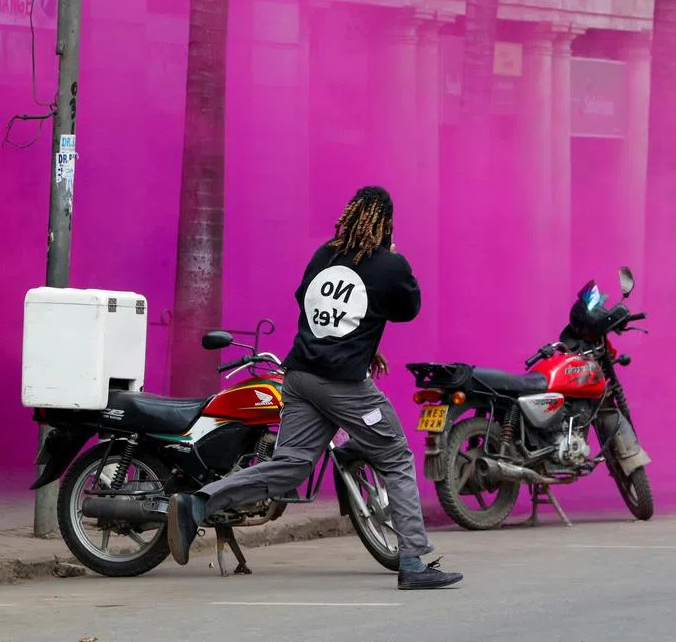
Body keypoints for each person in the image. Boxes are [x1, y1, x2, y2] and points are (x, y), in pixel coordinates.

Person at [167, 186, 462, 590]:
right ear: (386, 223)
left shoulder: (323, 255)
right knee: (395, 457)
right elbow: (407, 309)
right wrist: (391, 258)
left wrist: (362, 346)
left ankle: (198, 502)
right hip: (342, 385)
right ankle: (411, 561)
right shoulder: (390, 264)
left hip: (300, 377)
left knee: (291, 465)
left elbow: (311, 304)